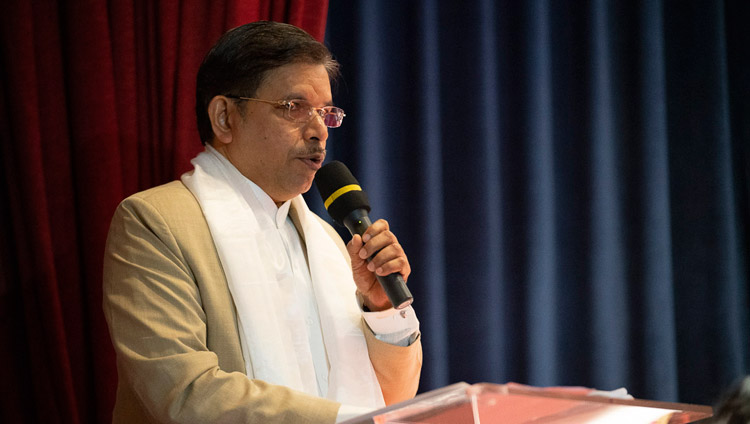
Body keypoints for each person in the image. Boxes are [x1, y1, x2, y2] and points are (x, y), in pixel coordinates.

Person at [102, 21, 422, 423]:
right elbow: (185, 394)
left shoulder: (326, 239)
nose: (319, 130)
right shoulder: (156, 223)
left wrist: (380, 308)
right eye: (294, 107)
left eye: (325, 112)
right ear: (224, 118)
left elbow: (389, 397)